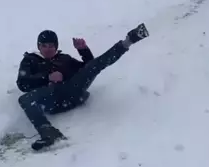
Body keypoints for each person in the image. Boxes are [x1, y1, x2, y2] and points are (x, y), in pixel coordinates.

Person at [16, 24, 150, 150]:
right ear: (39, 46)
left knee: (93, 66)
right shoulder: (30, 60)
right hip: (50, 99)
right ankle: (49, 133)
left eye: (51, 45)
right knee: (25, 99)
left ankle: (128, 41)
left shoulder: (64, 59)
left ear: (56, 46)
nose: (48, 48)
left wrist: (83, 51)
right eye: (44, 45)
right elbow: (22, 83)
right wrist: (47, 78)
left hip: (72, 92)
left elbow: (90, 67)